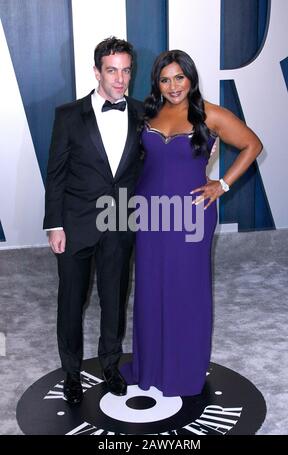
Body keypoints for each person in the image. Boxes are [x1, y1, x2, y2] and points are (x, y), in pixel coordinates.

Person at [121, 50, 263, 397]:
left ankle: (183, 370)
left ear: (191, 78)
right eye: (165, 79)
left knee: (187, 289)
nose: (173, 86)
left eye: (179, 77)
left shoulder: (209, 113)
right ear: (157, 82)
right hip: (150, 213)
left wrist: (222, 184)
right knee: (150, 288)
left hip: (192, 214)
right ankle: (150, 366)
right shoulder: (147, 112)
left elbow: (252, 144)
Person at [43, 37, 143, 403]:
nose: (120, 79)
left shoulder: (142, 113)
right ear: (97, 71)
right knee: (71, 301)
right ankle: (71, 374)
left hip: (120, 220)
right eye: (112, 70)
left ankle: (111, 365)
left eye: (126, 70)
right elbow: (56, 173)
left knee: (114, 299)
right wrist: (54, 224)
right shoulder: (69, 114)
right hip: (75, 224)